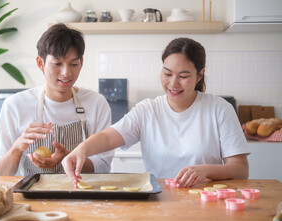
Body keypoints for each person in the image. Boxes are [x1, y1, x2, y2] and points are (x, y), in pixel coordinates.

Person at [62, 37, 250, 188]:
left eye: (183, 76)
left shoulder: (219, 109)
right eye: (167, 74)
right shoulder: (148, 110)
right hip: (160, 200)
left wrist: (205, 170)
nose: (173, 84)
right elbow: (108, 137)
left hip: (207, 202)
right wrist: (82, 150)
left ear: (199, 75)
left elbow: (240, 169)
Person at [0, 23, 113, 176]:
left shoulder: (96, 104)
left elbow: (103, 165)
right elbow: (1, 173)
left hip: (81, 197)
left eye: (73, 64)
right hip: (32, 198)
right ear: (40, 63)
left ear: (81, 63)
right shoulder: (15, 105)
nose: (66, 73)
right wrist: (17, 148)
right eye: (57, 64)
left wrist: (69, 158)